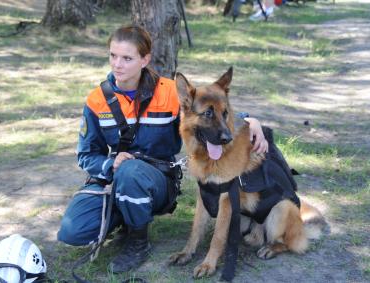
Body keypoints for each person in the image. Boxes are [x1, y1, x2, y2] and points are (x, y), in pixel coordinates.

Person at [57, 25, 268, 273]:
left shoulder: (169, 92)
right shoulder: (96, 99)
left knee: (131, 171)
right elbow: (85, 154)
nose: (118, 64)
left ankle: (138, 242)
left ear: (145, 59)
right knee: (73, 231)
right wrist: (107, 164)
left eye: (127, 58)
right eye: (113, 56)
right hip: (113, 177)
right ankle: (127, 215)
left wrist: (252, 121)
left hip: (157, 182)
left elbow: (213, 110)